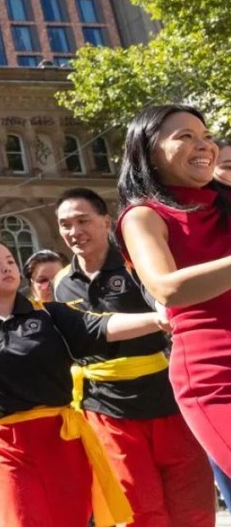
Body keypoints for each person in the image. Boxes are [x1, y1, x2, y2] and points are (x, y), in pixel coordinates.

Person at [0, 237, 167, 527]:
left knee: (70, 519)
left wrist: (158, 318)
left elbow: (103, 326)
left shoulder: (49, 315)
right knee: (20, 518)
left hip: (60, 436)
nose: (7, 268)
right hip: (1, 441)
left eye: (10, 261)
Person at [54, 186, 214, 526]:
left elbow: (168, 307)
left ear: (106, 221)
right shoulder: (61, 283)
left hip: (169, 401)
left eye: (83, 220)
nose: (74, 231)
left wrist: (162, 316)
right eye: (65, 224)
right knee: (138, 511)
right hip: (106, 411)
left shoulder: (135, 265)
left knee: (192, 506)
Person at [116, 105, 231, 474]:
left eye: (206, 137)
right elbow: (167, 289)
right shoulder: (144, 216)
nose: (204, 146)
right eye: (185, 136)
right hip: (215, 374)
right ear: (148, 150)